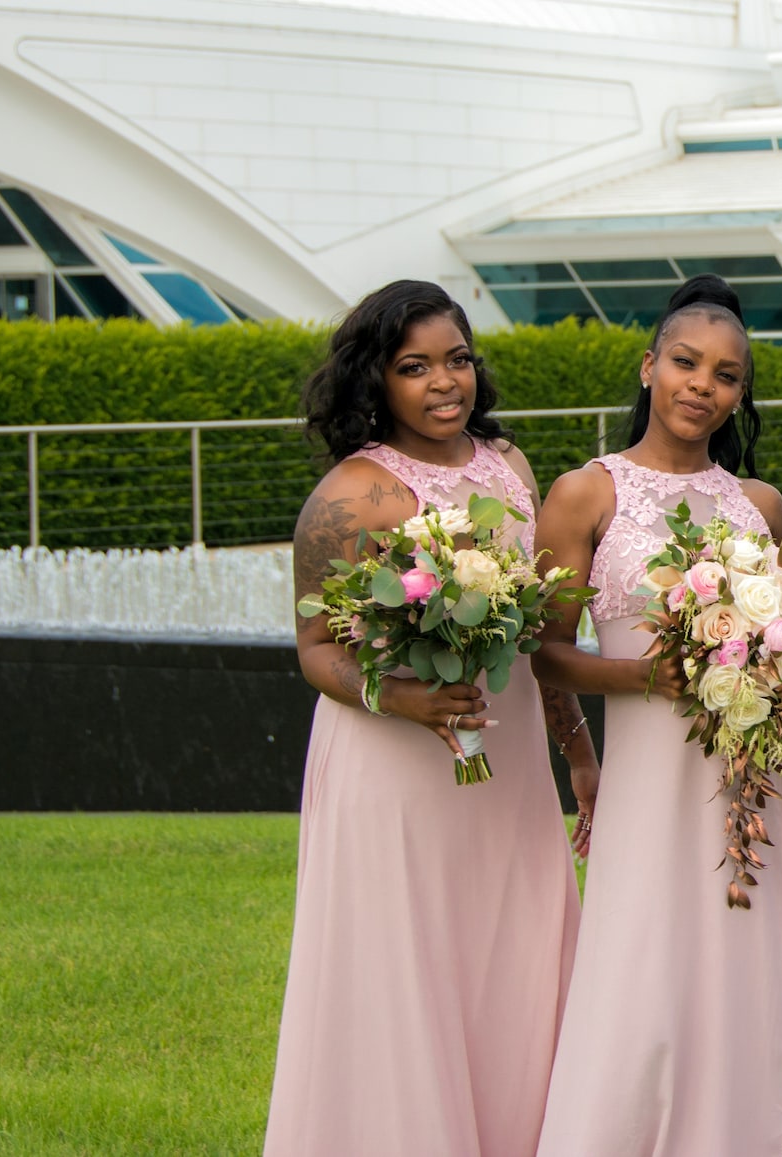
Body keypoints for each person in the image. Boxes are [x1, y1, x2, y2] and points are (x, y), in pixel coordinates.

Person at [266, 280, 589, 1157]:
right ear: (378, 379)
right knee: (406, 967)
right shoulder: (351, 496)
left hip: (509, 761)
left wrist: (578, 750)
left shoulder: (510, 465)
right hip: (397, 767)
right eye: (416, 367)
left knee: (515, 959)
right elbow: (313, 647)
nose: (445, 382)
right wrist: (402, 697)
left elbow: (533, 633)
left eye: (457, 359)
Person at [530, 275, 782, 1156]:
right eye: (686, 362)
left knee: (748, 977)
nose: (703, 385)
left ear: (742, 393)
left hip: (758, 782)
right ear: (648, 366)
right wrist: (644, 679)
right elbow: (542, 651)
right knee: (643, 980)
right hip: (649, 785)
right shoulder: (586, 494)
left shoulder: (762, 504)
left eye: (728, 374)